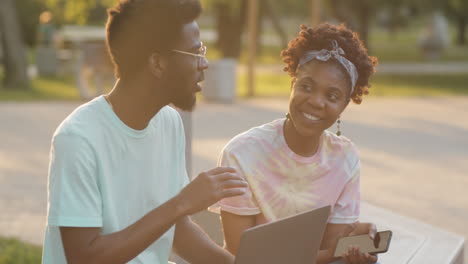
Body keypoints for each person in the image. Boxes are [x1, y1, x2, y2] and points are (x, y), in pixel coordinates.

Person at [41, 0, 248, 263]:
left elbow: (177, 231)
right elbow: (84, 257)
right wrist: (181, 203)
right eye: (196, 53)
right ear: (157, 63)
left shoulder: (170, 122)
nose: (204, 63)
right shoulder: (78, 140)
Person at [210, 23, 379, 264]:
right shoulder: (242, 153)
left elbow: (331, 246)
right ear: (292, 85)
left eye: (331, 96)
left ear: (344, 105)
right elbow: (242, 252)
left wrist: (353, 245)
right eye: (306, 87)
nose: (315, 102)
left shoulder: (345, 157)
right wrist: (336, 251)